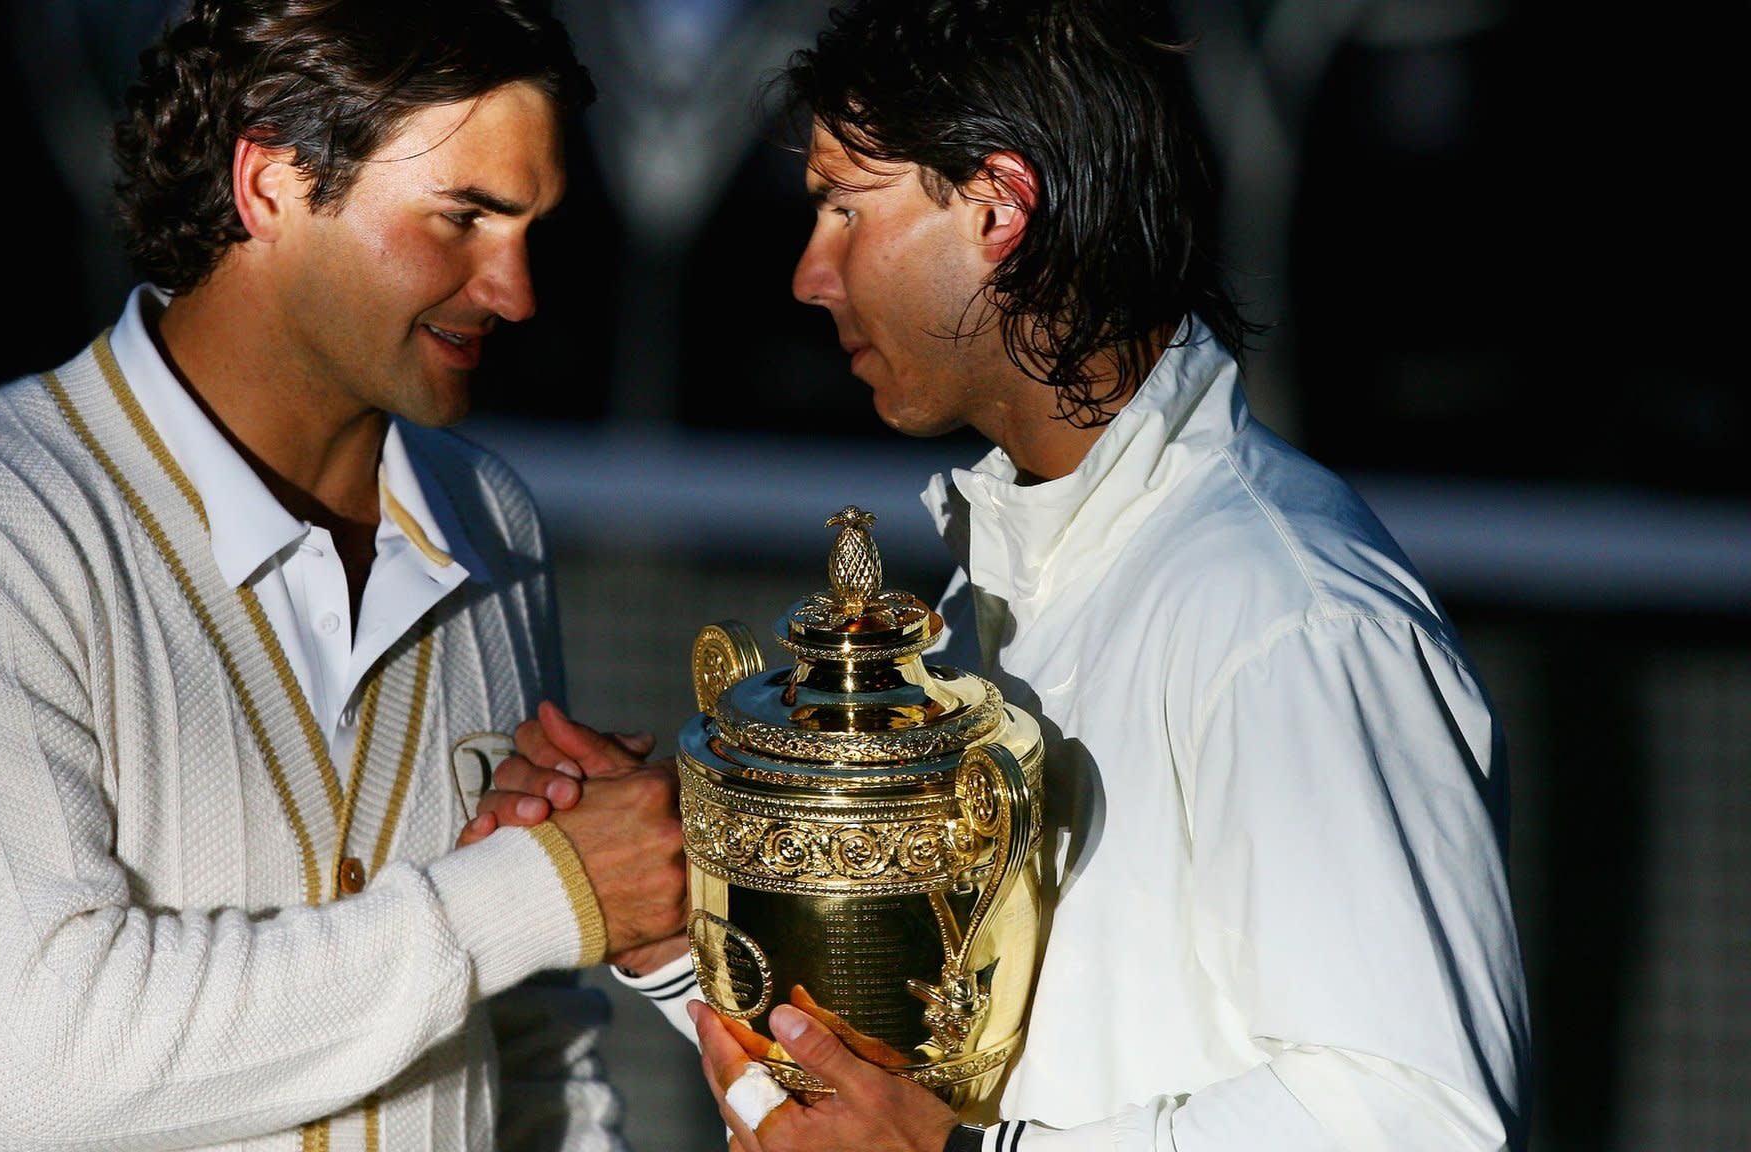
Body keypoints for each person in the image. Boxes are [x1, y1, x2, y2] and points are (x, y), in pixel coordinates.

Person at [480, 0, 1531, 1148]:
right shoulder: (998, 599)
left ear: (996, 207)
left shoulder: (1286, 613)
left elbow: (1422, 1118)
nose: (807, 275)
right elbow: (922, 1089)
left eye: (844, 207)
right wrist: (683, 941)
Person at [0, 2, 689, 1149]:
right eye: (462, 218)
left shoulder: (489, 518)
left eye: (529, 229)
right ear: (269, 185)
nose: (513, 290)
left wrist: (552, 910)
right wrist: (540, 892)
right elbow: (43, 1060)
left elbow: (531, 1054)